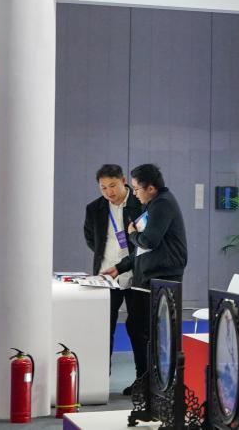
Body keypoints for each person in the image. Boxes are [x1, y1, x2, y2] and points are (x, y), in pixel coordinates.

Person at [102, 163, 187, 393]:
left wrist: (132, 234)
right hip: (148, 276)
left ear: (151, 188)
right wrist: (119, 267)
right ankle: (145, 379)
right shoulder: (153, 204)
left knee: (145, 329)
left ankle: (152, 381)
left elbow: (148, 241)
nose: (135, 193)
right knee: (137, 327)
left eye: (137, 189)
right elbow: (142, 251)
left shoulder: (163, 205)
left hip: (161, 277)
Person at [82, 164, 142, 368]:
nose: (109, 192)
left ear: (123, 181)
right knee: (104, 327)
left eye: (113, 185)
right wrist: (105, 256)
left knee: (138, 329)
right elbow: (91, 239)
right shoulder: (94, 208)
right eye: (103, 187)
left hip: (136, 274)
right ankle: (101, 375)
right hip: (107, 276)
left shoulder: (140, 204)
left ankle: (142, 378)